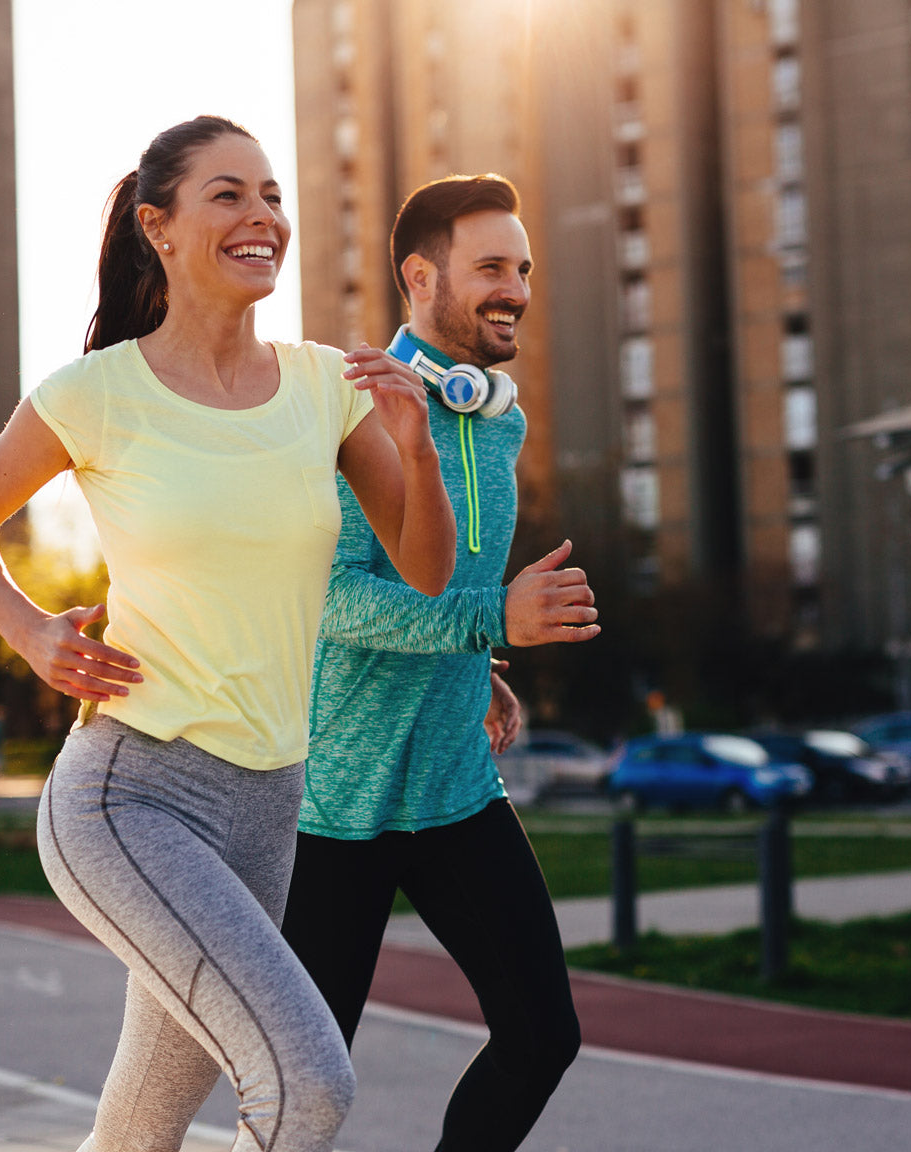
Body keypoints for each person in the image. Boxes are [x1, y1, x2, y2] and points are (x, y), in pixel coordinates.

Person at [0, 117, 455, 1152]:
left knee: (142, 1126)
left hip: (268, 803)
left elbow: (423, 569)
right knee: (306, 1085)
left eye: (271, 195)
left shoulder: (322, 389)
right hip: (132, 796)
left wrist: (419, 453)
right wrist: (34, 636)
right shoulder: (96, 393)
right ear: (157, 228)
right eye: (228, 195)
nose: (263, 216)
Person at [281, 174, 599, 1152]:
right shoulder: (348, 407)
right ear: (422, 276)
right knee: (308, 1086)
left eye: (525, 269)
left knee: (544, 1035)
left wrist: (483, 661)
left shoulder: (502, 418)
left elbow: (443, 583)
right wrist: (488, 619)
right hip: (336, 802)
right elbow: (330, 600)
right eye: (492, 268)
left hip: (457, 786)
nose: (517, 288)